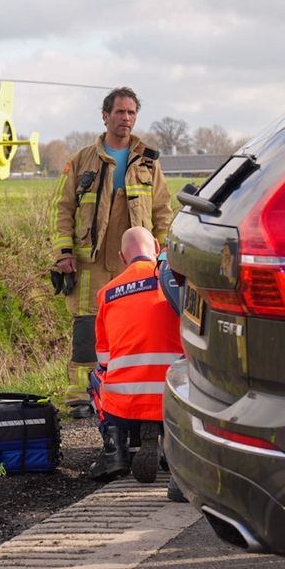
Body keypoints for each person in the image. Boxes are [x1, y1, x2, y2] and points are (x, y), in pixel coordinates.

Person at [50, 88, 172, 418]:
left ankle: (126, 396)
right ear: (105, 116)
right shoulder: (80, 162)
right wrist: (63, 252)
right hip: (91, 261)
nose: (126, 118)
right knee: (87, 327)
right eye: (120, 112)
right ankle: (80, 396)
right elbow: (62, 208)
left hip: (138, 261)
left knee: (139, 325)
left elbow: (162, 211)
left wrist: (165, 258)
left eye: (132, 113)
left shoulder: (148, 162)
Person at [87, 227, 183, 482]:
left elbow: (104, 360)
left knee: (95, 376)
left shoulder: (108, 292)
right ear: (156, 246)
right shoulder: (177, 282)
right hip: (176, 395)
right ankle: (171, 447)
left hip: (126, 404)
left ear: (121, 257)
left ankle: (115, 452)